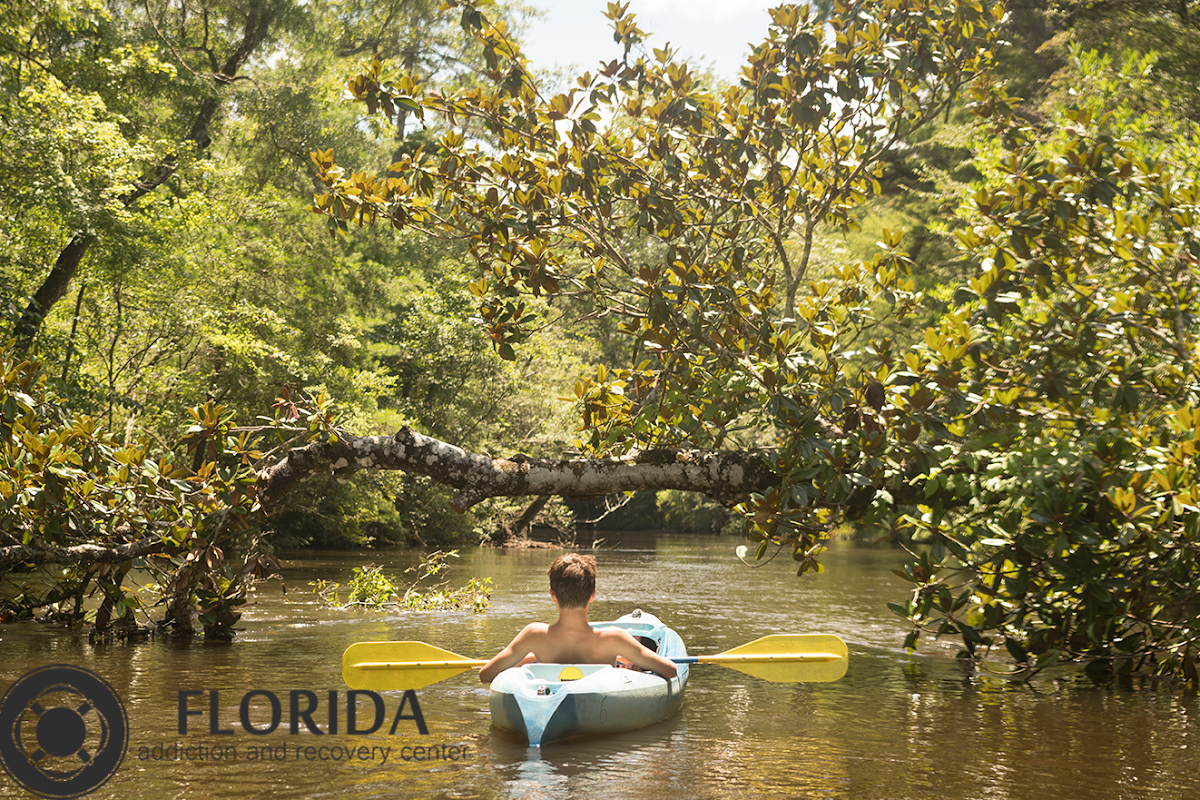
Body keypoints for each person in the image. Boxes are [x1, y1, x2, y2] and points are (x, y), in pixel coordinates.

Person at [478, 553, 678, 683]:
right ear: (592, 594)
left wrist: (532, 659)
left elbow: (486, 675)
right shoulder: (613, 639)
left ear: (552, 594)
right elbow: (670, 670)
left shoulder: (534, 635)